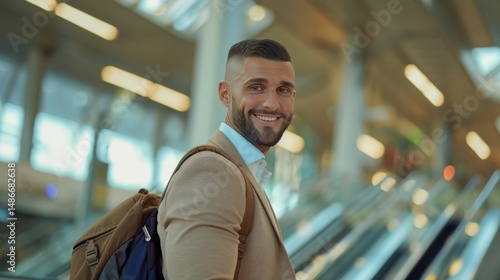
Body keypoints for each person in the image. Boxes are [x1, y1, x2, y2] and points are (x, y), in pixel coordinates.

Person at [157, 38, 297, 280]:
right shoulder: (210, 172)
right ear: (225, 93)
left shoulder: (243, 172)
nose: (272, 103)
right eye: (256, 87)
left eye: (283, 90)